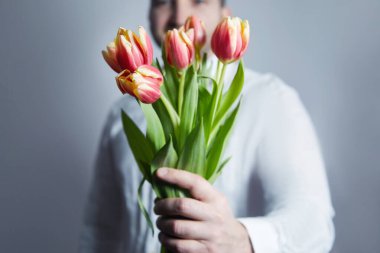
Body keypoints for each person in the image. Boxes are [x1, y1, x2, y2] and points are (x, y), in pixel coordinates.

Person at [78, 0, 335, 252]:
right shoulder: (124, 111)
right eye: (162, 2)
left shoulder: (270, 99)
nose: (179, 17)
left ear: (225, 14)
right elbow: (101, 230)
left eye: (199, 1)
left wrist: (242, 240)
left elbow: (314, 222)